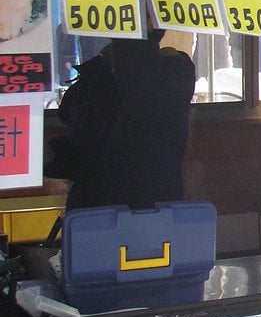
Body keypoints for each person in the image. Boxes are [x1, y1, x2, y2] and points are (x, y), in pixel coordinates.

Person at [44, 18, 196, 211]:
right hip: (114, 209)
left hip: (123, 210)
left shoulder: (171, 73)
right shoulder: (99, 77)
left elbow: (139, 86)